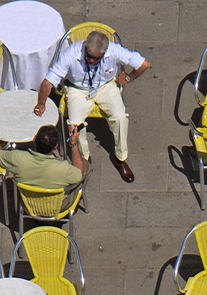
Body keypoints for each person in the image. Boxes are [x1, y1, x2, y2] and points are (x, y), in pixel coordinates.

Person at [34, 30, 150, 181]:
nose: (90, 60)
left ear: (104, 53)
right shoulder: (72, 53)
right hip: (78, 90)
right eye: (88, 55)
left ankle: (120, 158)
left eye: (95, 58)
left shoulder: (114, 50)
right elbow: (48, 81)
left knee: (121, 117)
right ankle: (83, 158)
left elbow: (144, 64)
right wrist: (41, 103)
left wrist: (128, 77)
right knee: (74, 125)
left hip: (105, 87)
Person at [0, 125, 85, 190]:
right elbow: (79, 173)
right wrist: (73, 144)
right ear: (56, 147)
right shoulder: (63, 168)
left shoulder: (18, 158)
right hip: (55, 207)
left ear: (34, 139)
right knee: (85, 164)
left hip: (29, 205)